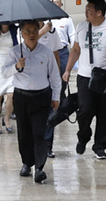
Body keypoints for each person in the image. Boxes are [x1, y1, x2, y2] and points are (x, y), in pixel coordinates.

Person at [63, 0, 106, 160]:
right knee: (84, 110)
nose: (86, 12)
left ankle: (100, 146)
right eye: (86, 9)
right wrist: (67, 70)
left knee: (104, 113)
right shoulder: (81, 27)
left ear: (99, 12)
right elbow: (76, 50)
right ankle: (83, 135)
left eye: (89, 9)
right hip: (85, 77)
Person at [2, 20, 61, 183]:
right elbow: (4, 73)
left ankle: (40, 168)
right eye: (27, 31)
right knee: (25, 132)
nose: (32, 34)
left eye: (35, 30)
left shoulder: (46, 52)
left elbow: (55, 75)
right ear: (21, 33)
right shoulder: (15, 52)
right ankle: (27, 163)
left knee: (39, 133)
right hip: (22, 97)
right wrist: (16, 66)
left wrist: (56, 96)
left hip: (42, 97)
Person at [37, 20, 63, 158]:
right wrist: (43, 31)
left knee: (49, 113)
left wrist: (57, 76)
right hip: (31, 80)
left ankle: (47, 146)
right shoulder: (24, 30)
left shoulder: (51, 31)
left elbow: (56, 54)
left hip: (47, 77)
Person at [48, 0, 76, 76]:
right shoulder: (45, 19)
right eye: (52, 3)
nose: (54, 4)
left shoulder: (66, 18)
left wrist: (74, 50)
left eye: (57, 2)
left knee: (64, 74)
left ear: (61, 4)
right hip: (49, 51)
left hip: (62, 51)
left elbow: (72, 34)